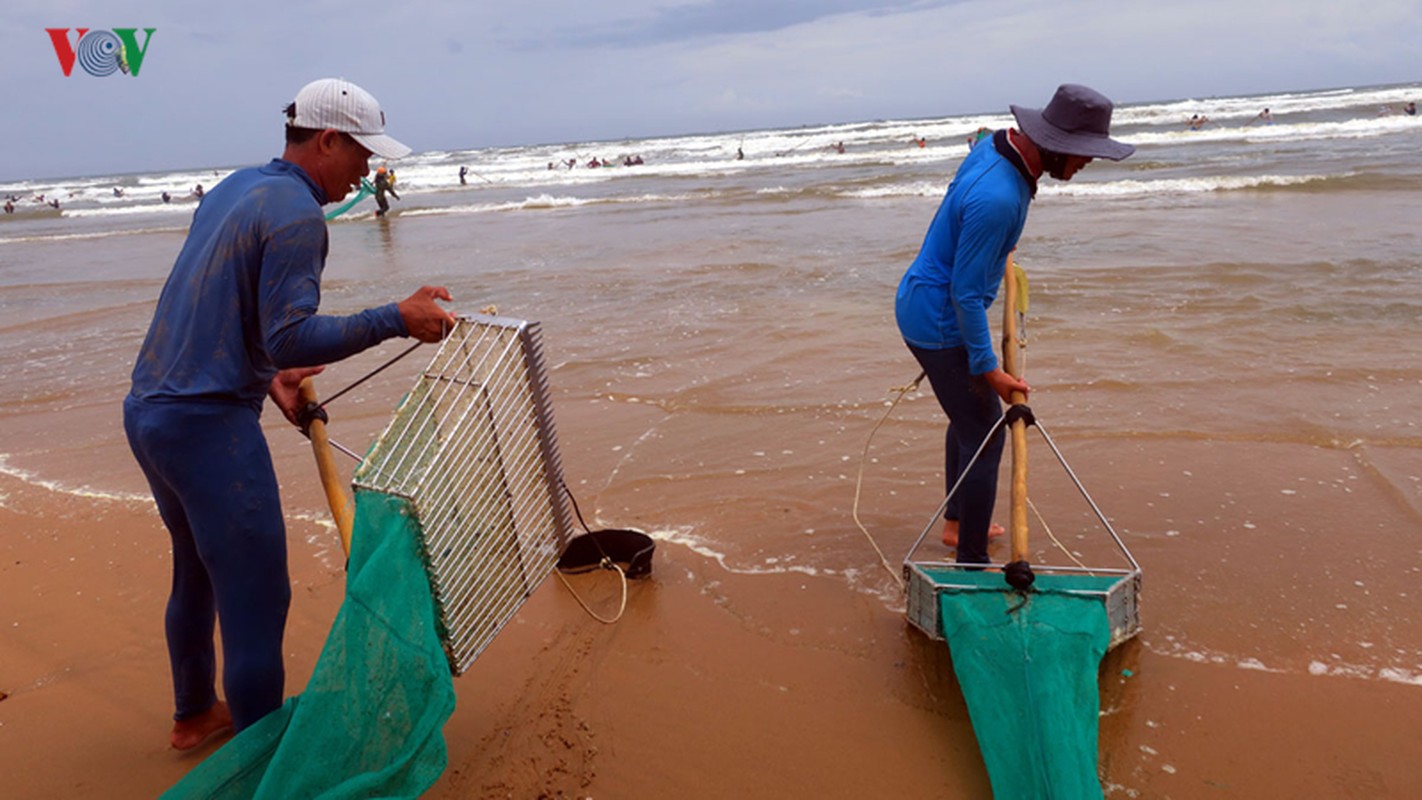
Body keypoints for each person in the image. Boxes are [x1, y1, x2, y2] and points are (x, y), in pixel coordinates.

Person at [123, 77, 458, 751]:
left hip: (150, 411)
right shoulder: (299, 215)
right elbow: (291, 334)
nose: (367, 169)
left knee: (194, 568)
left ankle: (195, 715)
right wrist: (395, 318)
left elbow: (225, 308)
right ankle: (256, 764)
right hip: (207, 427)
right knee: (257, 598)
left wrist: (264, 375)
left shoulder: (235, 188)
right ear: (328, 140)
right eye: (362, 153)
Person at [895, 84, 1134, 562]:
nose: (1087, 164)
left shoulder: (994, 145)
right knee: (986, 431)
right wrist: (990, 370)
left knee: (968, 421)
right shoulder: (999, 198)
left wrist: (993, 246)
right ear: (1055, 144)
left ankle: (958, 523)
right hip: (939, 319)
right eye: (1084, 154)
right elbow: (965, 293)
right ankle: (971, 561)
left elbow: (957, 206)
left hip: (921, 297)